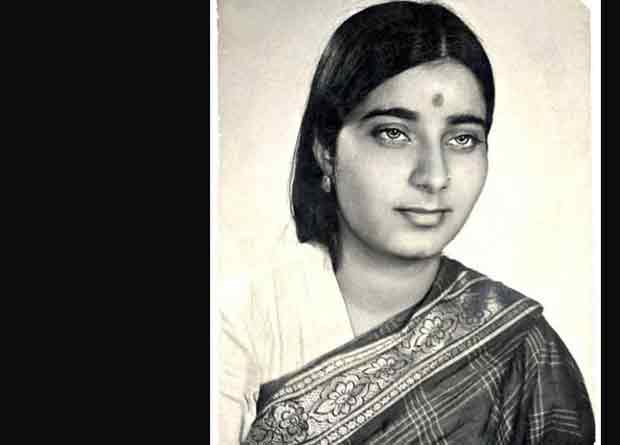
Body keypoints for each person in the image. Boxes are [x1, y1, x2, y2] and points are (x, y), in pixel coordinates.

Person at [218, 1, 595, 444]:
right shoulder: (243, 324)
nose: (433, 176)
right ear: (326, 150)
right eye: (393, 133)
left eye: (462, 138)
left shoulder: (524, 351)